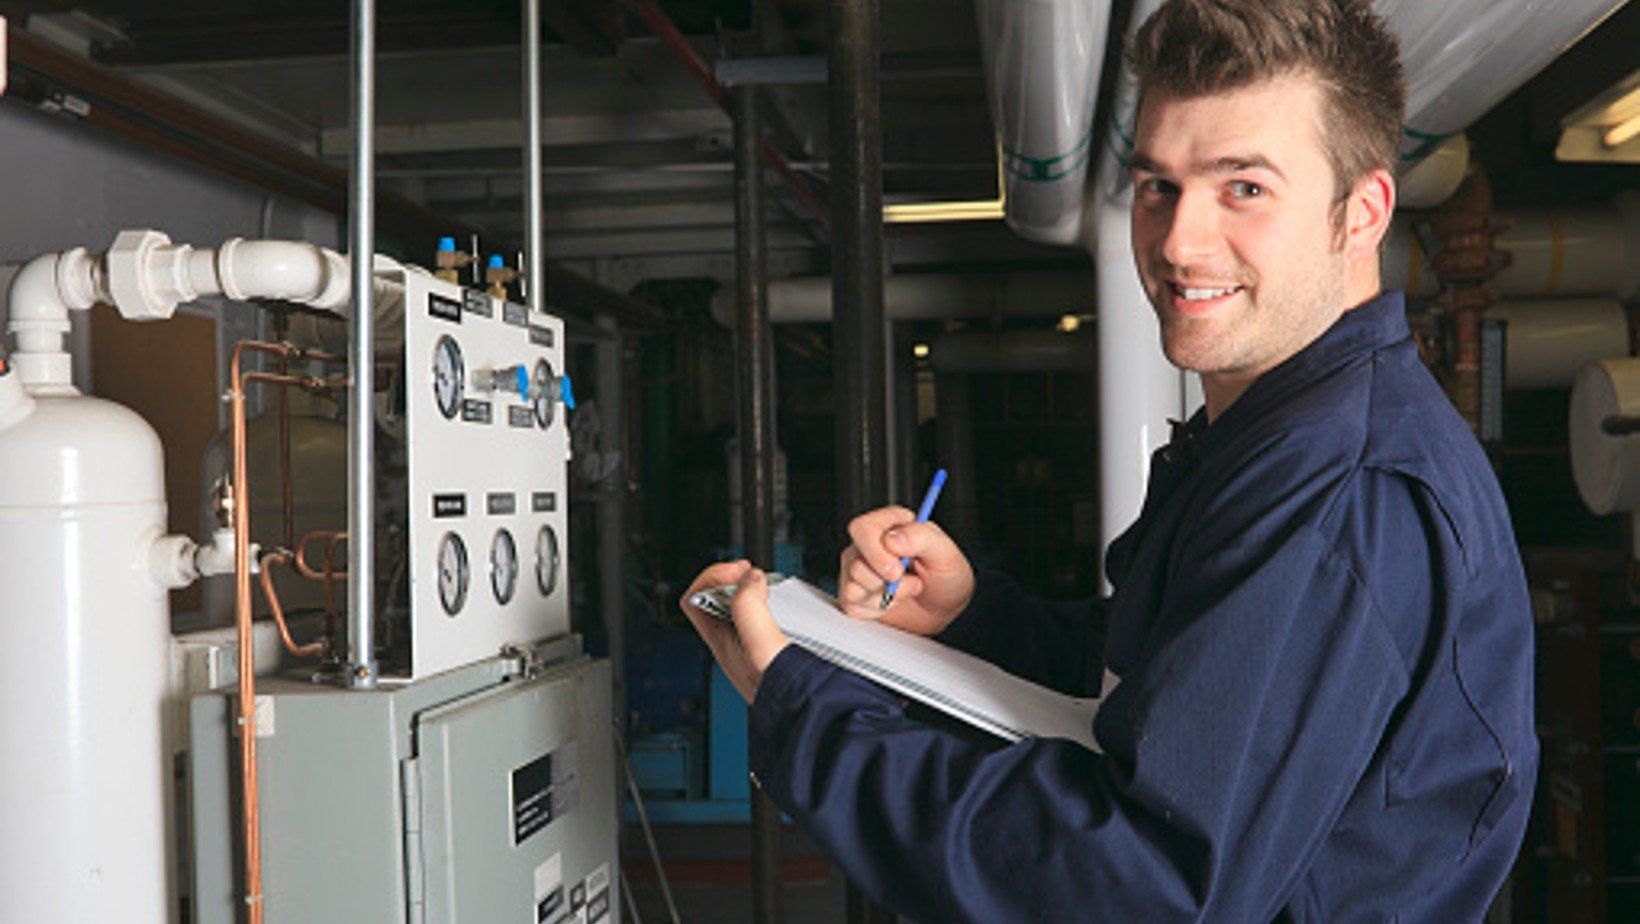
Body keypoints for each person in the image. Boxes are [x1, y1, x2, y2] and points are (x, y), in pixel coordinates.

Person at [682, 1, 1538, 919]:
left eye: (1244, 188)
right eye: (1158, 186)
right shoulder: (1274, 440)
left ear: (1360, 213)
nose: (1178, 243)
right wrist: (974, 621)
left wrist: (805, 713)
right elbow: (1167, 693)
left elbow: (1139, 886)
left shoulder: (1340, 489)